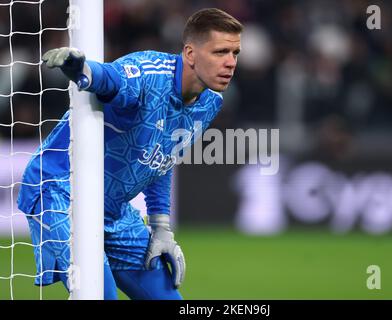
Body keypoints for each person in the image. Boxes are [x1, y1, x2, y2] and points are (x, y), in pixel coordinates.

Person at [17, 8, 242, 300]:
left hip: (112, 209)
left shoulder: (211, 101)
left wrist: (161, 228)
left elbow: (162, 158)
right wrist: (82, 70)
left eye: (235, 53)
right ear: (190, 54)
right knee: (99, 295)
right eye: (220, 51)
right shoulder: (149, 72)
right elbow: (109, 79)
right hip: (59, 189)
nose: (230, 63)